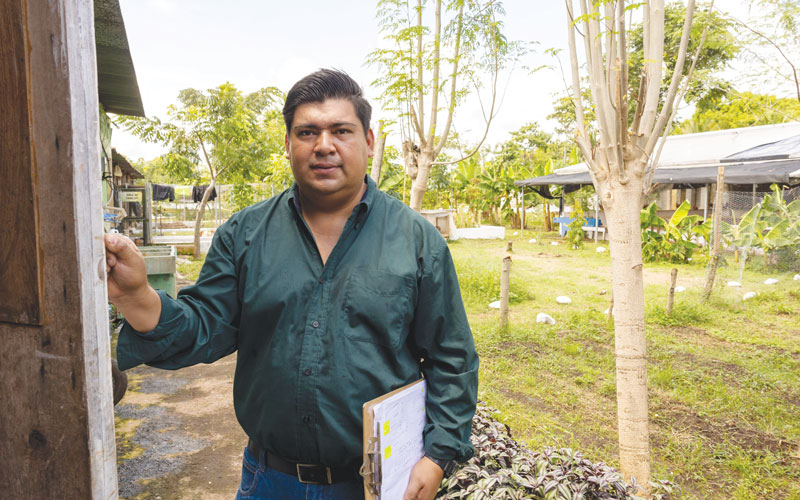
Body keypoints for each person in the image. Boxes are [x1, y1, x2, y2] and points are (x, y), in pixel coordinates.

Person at [106, 69, 479, 500]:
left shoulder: (417, 242)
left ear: (370, 141)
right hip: (270, 480)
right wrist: (136, 296)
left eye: (341, 130)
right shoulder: (244, 234)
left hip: (375, 484)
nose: (324, 145)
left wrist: (437, 455)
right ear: (287, 145)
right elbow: (205, 326)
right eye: (307, 132)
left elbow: (451, 358)